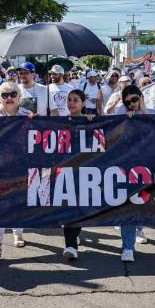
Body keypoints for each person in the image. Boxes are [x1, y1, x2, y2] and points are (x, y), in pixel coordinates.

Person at [0, 82, 32, 258]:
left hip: (21, 166)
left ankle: (17, 232)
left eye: (13, 94)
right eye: (5, 95)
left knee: (18, 201)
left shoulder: (28, 115)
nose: (9, 98)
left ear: (19, 96)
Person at [115, 85, 155, 261]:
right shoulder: (120, 112)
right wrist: (125, 122)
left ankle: (139, 228)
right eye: (127, 102)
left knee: (145, 205)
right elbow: (112, 135)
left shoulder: (153, 112)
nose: (131, 104)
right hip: (127, 167)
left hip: (150, 167)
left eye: (134, 100)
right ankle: (128, 247)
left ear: (141, 97)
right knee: (129, 207)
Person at [61, 89, 95, 260]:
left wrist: (92, 123)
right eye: (69, 99)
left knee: (81, 209)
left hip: (86, 172)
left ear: (83, 103)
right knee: (69, 208)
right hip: (67, 172)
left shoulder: (90, 120)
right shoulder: (60, 122)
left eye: (75, 100)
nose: (71, 103)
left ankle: (75, 236)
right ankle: (71, 246)